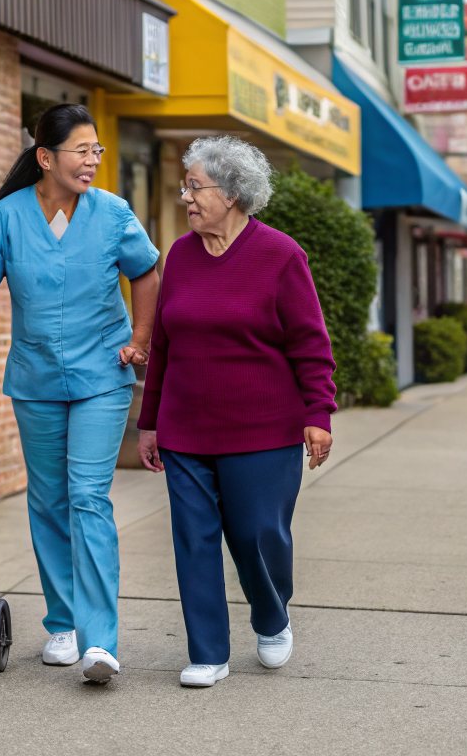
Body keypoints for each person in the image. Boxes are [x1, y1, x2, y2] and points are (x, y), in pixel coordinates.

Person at [0, 103, 160, 684]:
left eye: (97, 151)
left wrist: (139, 336)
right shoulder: (9, 215)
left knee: (87, 497)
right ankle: (61, 622)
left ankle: (99, 641)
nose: (92, 161)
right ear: (45, 157)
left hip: (101, 377)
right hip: (35, 378)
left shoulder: (111, 213)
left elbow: (145, 273)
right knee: (49, 500)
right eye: (82, 151)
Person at [137, 136, 336, 688]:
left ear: (232, 192)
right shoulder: (179, 255)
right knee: (193, 538)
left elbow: (310, 345)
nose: (187, 198)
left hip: (263, 430)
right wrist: (149, 422)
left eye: (195, 187)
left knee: (257, 535)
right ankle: (207, 653)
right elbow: (165, 346)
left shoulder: (280, 255)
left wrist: (318, 412)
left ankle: (273, 617)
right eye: (186, 188)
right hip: (185, 429)